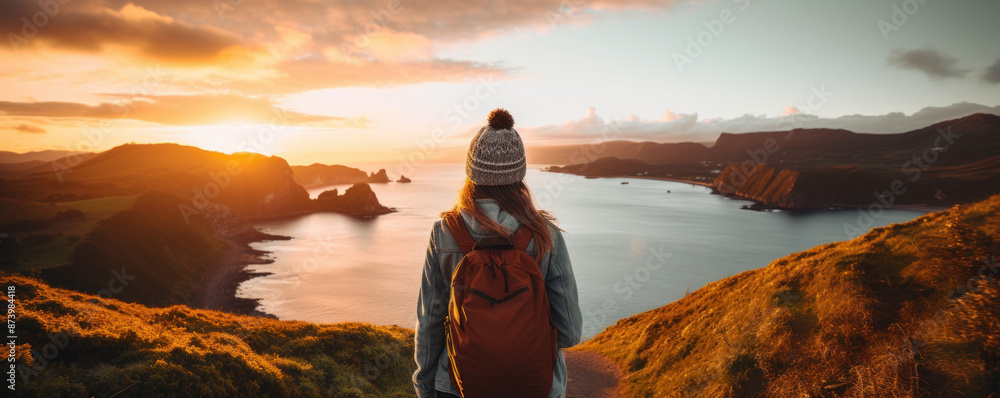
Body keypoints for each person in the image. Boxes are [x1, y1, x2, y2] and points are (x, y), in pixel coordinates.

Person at [413, 108, 583, 398]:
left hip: (456, 385)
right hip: (536, 385)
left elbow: (430, 323)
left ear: (471, 172)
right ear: (519, 175)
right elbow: (569, 333)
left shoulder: (443, 232)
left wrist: (425, 386)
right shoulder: (545, 235)